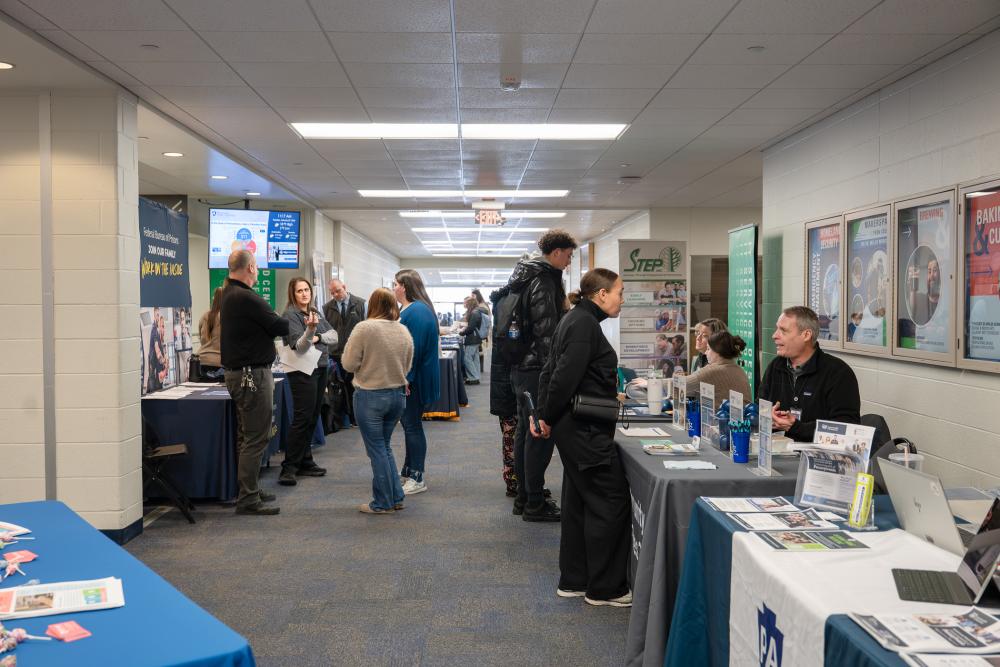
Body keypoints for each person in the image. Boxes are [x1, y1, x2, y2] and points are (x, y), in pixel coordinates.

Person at [534, 268, 631, 607]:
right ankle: (607, 588)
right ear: (600, 294)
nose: (622, 299)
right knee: (610, 501)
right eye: (619, 292)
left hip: (574, 425)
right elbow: (562, 376)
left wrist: (545, 414)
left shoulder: (575, 320)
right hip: (583, 429)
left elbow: (551, 370)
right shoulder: (583, 324)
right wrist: (544, 416)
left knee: (578, 502)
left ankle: (575, 579)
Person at [506, 228, 577, 522]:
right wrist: (553, 377)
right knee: (539, 434)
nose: (569, 262)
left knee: (526, 433)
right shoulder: (543, 280)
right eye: (569, 256)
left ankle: (525, 496)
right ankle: (535, 502)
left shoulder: (524, 277)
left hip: (521, 368)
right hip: (537, 370)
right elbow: (547, 331)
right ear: (556, 252)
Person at [220, 249, 291, 516]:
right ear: (250, 267)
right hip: (252, 375)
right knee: (255, 437)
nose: (258, 269)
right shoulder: (246, 297)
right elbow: (281, 326)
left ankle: (248, 489)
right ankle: (248, 498)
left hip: (241, 373)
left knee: (246, 436)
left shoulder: (228, 294)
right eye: (257, 265)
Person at [341, 288, 414, 514]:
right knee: (384, 446)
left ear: (371, 305)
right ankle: (396, 496)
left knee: (377, 450)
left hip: (370, 396)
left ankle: (382, 502)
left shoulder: (365, 328)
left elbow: (348, 364)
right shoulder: (403, 330)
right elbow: (408, 365)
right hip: (397, 395)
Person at [759, 306, 861, 442]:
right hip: (779, 454)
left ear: (806, 335)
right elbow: (759, 405)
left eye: (783, 330)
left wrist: (796, 427)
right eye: (777, 329)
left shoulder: (838, 373)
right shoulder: (775, 366)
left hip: (821, 459)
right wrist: (767, 415)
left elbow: (846, 426)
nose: (775, 335)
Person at [279, 278, 339, 486]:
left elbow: (334, 336)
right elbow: (300, 346)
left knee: (313, 416)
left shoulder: (315, 312)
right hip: (302, 370)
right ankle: (289, 467)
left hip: (320, 367)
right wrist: (312, 332)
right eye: (299, 291)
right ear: (292, 294)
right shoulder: (290, 316)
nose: (304, 294)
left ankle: (305, 460)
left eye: (306, 290)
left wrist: (317, 337)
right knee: (302, 418)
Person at [393, 269, 441, 495]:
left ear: (405, 286)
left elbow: (416, 349)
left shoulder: (418, 311)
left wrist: (406, 379)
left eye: (396, 284)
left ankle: (417, 477)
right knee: (409, 425)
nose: (393, 288)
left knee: (412, 426)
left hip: (416, 379)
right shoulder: (411, 309)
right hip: (412, 376)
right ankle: (409, 470)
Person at [323, 279, 367, 426]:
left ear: (344, 287)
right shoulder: (327, 308)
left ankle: (356, 418)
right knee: (338, 388)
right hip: (334, 354)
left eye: (338, 290)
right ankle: (340, 420)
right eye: (332, 292)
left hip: (355, 353)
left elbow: (367, 328)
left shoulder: (360, 304)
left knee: (355, 386)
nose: (335, 294)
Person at [489, 290, 518, 498]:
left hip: (506, 387)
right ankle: (515, 481)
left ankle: (514, 480)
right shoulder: (512, 312)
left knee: (510, 436)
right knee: (513, 436)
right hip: (512, 387)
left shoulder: (503, 307)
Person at [684, 331, 751, 408]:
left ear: (718, 351)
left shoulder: (712, 371)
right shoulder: (739, 370)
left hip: (722, 419)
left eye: (708, 349)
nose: (705, 353)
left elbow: (678, 385)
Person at [907, 257, 941, 325]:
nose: (931, 275)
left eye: (934, 270)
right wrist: (911, 281)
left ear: (940, 275)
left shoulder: (944, 303)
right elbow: (912, 303)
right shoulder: (919, 299)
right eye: (929, 271)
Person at [197, 288, 224, 374]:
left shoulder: (205, 316)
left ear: (214, 299)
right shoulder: (228, 317)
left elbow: (201, 338)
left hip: (202, 361)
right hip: (221, 363)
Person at [459, 296, 484, 384]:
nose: (464, 304)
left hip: (473, 339)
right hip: (476, 338)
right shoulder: (477, 312)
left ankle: (473, 378)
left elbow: (471, 328)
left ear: (470, 304)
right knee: (475, 358)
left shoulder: (474, 313)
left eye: (465, 303)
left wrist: (461, 333)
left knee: (467, 358)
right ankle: (476, 377)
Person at [147, 307, 167, 392]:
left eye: (158, 315)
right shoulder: (154, 330)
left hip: (156, 372)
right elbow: (157, 351)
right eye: (157, 315)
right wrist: (164, 362)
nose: (158, 317)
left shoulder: (158, 334)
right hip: (154, 371)